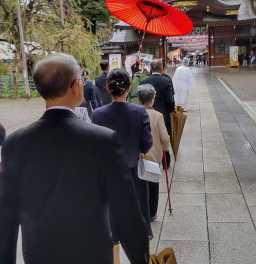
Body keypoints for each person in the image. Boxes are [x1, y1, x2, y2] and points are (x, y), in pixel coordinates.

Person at [0, 53, 150, 264]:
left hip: (39, 254)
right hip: (92, 254)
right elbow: (127, 213)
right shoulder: (103, 140)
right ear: (74, 87)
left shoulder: (15, 143)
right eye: (81, 79)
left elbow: (6, 216)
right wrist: (141, 258)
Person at [91, 68, 153, 261]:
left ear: (108, 89)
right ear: (128, 88)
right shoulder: (140, 111)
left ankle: (114, 260)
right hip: (134, 174)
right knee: (138, 221)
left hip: (107, 177)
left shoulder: (98, 115)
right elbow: (146, 143)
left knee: (111, 223)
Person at [136, 84, 170, 222]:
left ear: (138, 99)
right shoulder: (157, 115)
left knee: (138, 184)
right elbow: (164, 137)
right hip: (153, 156)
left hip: (136, 155)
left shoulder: (134, 112)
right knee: (153, 184)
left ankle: (139, 211)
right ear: (152, 100)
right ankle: (151, 213)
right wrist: (165, 148)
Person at [141, 59, 175, 169]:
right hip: (164, 115)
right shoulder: (167, 81)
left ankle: (150, 158)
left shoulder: (144, 81)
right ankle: (166, 162)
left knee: (149, 137)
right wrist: (171, 110)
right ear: (161, 68)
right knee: (163, 137)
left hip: (146, 114)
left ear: (151, 68)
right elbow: (170, 100)